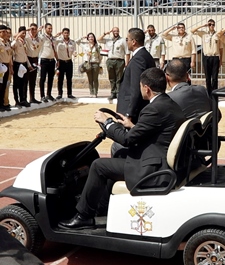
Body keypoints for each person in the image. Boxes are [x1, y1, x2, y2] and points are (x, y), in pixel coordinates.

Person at [58, 68, 185, 230]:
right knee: (117, 155)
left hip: (152, 170)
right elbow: (153, 131)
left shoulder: (153, 109)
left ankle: (83, 216)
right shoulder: (168, 104)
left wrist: (107, 123)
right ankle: (102, 209)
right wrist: (132, 125)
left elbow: (127, 140)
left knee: (98, 166)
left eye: (140, 86)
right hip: (158, 156)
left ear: (146, 88)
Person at [116, 28, 156, 122]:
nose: (126, 42)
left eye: (127, 39)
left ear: (133, 42)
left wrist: (129, 113)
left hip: (133, 110)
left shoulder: (139, 59)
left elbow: (136, 88)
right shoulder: (145, 55)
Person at [191, 20, 221, 94]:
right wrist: (203, 25)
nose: (211, 26)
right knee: (207, 77)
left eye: (213, 24)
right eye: (210, 24)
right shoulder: (203, 34)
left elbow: (221, 48)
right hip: (206, 57)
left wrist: (220, 60)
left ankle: (214, 93)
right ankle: (209, 93)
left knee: (214, 77)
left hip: (215, 57)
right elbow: (192, 31)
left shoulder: (217, 34)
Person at [100, 27, 126, 103]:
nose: (116, 32)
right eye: (114, 31)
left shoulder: (122, 40)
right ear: (112, 31)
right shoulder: (108, 40)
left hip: (119, 60)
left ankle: (118, 92)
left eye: (117, 31)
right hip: (110, 60)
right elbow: (99, 39)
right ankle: (113, 92)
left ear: (119, 31)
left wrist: (127, 62)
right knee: (111, 78)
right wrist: (105, 33)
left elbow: (127, 52)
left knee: (119, 78)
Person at [11, 27, 31, 108]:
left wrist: (29, 65)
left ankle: (23, 99)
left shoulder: (24, 42)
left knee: (24, 83)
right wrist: (16, 37)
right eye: (22, 33)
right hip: (17, 64)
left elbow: (25, 54)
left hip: (24, 64)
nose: (24, 35)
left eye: (24, 33)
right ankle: (17, 101)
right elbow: (12, 45)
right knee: (16, 84)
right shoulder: (16, 41)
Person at [55, 28, 77, 100]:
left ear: (69, 33)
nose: (66, 34)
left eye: (67, 33)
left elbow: (74, 50)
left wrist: (74, 53)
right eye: (64, 33)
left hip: (69, 62)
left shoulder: (72, 42)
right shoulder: (58, 41)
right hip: (61, 62)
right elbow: (52, 41)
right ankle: (59, 94)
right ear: (62, 33)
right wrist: (56, 36)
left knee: (69, 79)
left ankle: (69, 93)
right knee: (60, 79)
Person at [79, 33, 103, 98]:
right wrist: (82, 37)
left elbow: (100, 56)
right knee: (90, 79)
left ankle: (95, 92)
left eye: (92, 37)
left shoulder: (97, 46)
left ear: (94, 38)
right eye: (89, 37)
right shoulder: (85, 45)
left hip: (95, 63)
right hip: (88, 64)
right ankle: (91, 92)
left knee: (95, 79)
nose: (91, 38)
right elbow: (77, 41)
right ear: (88, 38)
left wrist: (99, 62)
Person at [38, 23, 57, 103]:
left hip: (52, 60)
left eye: (51, 28)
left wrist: (57, 60)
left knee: (51, 78)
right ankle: (42, 96)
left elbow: (55, 49)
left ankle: (49, 94)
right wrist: (38, 30)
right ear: (45, 29)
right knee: (43, 78)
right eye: (49, 28)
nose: (50, 30)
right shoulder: (42, 37)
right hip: (44, 60)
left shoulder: (53, 38)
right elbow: (37, 38)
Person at [23, 23, 42, 104]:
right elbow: (15, 35)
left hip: (35, 59)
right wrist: (27, 30)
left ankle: (32, 98)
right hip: (28, 59)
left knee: (33, 80)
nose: (34, 31)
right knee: (26, 80)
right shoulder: (27, 37)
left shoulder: (39, 38)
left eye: (35, 29)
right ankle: (24, 99)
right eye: (32, 29)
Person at [0, 26, 13, 112]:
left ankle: (3, 104)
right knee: (0, 86)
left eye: (6, 31)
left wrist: (10, 67)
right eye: (3, 31)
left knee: (4, 86)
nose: (5, 33)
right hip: (1, 66)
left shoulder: (7, 43)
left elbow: (10, 55)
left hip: (6, 66)